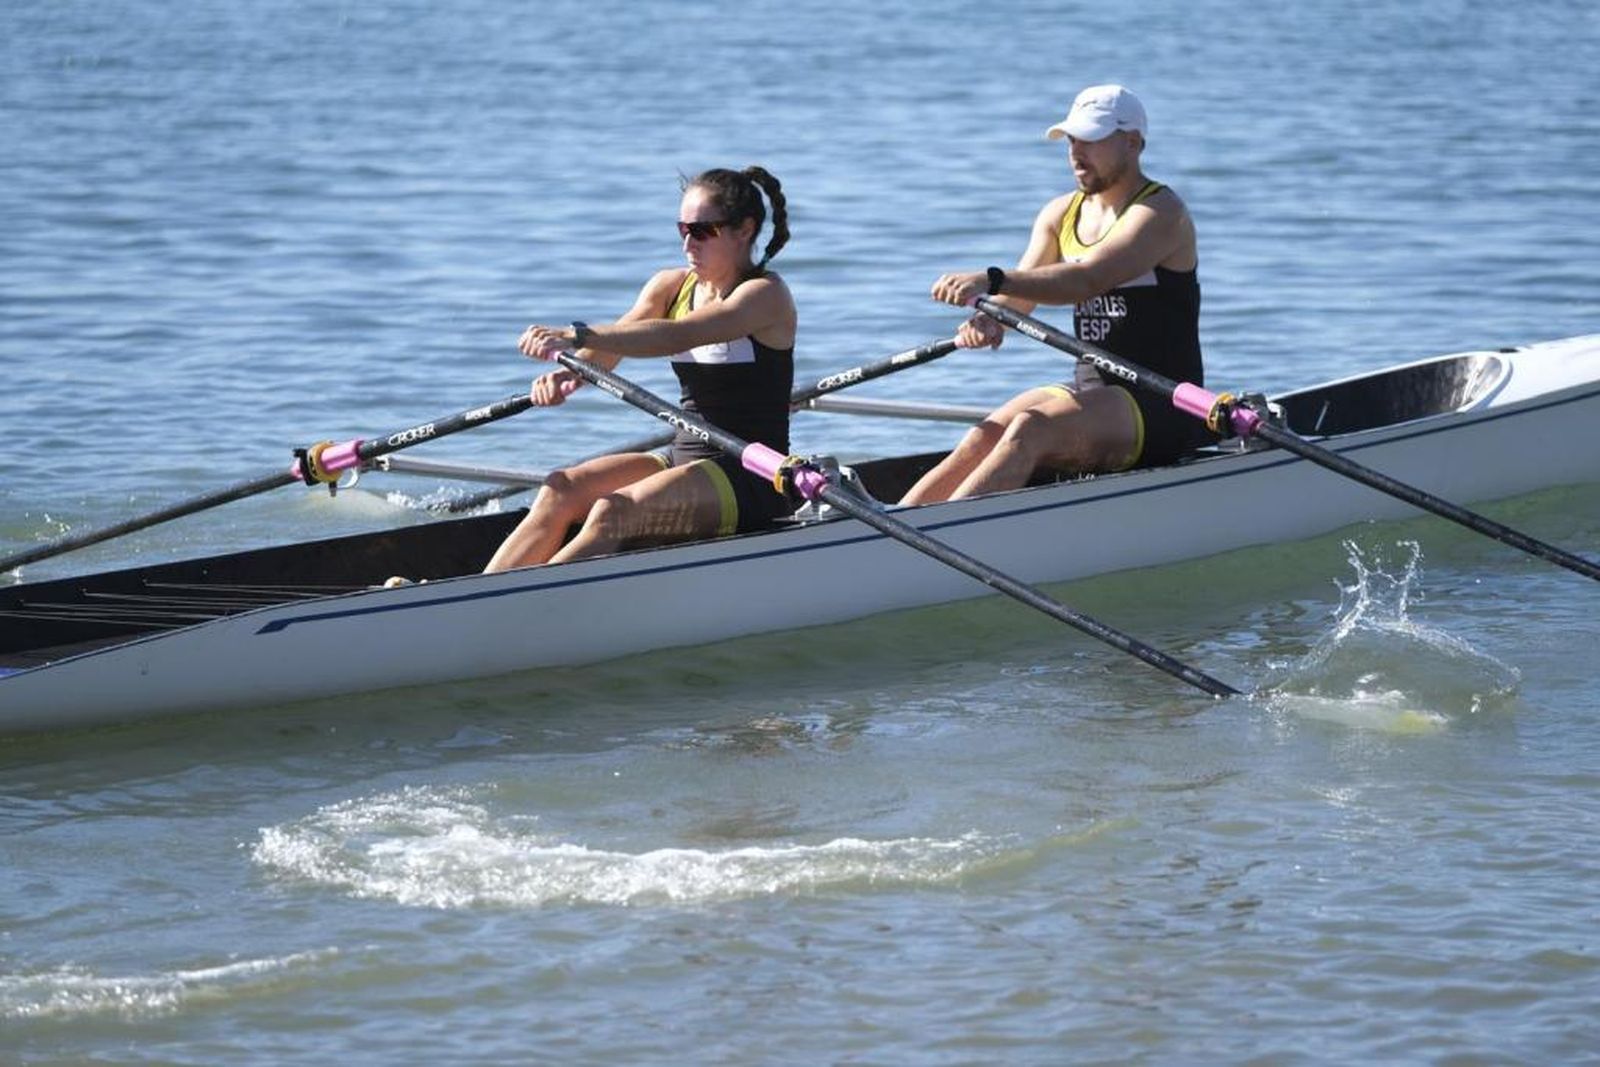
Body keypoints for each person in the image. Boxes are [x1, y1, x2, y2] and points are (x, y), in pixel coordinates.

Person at [902, 85, 1213, 505]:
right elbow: (1022, 297)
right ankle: (895, 531)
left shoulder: (1160, 213)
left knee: (1031, 430)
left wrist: (992, 280)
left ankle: (939, 540)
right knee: (985, 436)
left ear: (1133, 142)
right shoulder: (1060, 213)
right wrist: (991, 317)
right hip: (1092, 390)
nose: (1075, 151)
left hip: (1163, 402)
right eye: (1071, 139)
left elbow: (1086, 280)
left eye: (1091, 139)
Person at [482, 167, 796, 573]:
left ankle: (515, 608)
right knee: (561, 488)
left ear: (744, 230)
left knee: (613, 512)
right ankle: (482, 593)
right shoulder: (670, 287)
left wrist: (575, 335)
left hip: (752, 477)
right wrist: (570, 376)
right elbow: (621, 340)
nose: (688, 243)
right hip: (683, 458)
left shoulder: (765, 295)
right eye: (682, 228)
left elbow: (676, 336)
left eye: (702, 231)